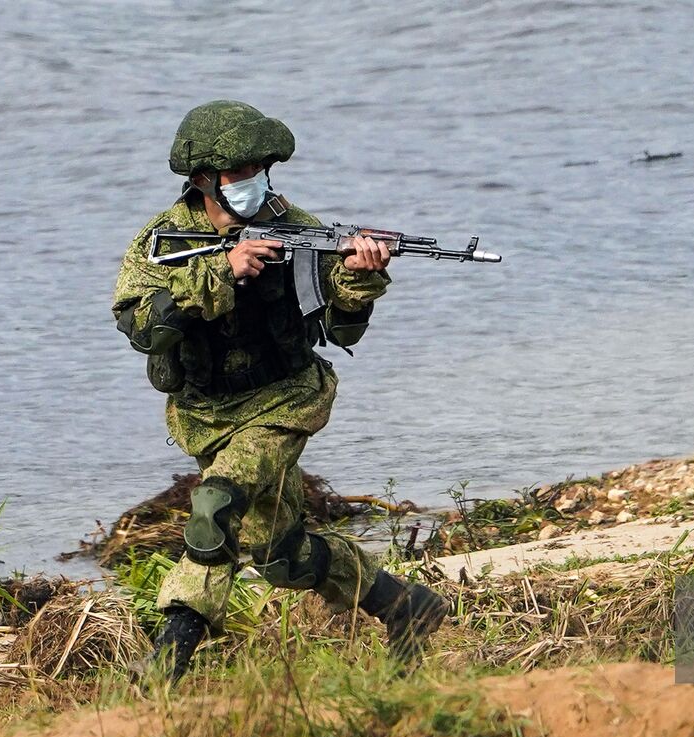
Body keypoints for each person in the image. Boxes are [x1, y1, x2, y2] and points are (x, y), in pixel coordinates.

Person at [113, 100, 448, 680]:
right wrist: (224, 271)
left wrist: (360, 276)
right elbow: (141, 328)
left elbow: (340, 331)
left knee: (214, 507)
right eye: (239, 174)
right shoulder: (161, 240)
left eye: (261, 169)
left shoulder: (299, 228)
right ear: (202, 181)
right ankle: (406, 607)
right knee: (280, 555)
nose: (254, 182)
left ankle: (170, 655)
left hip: (285, 399)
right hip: (207, 413)